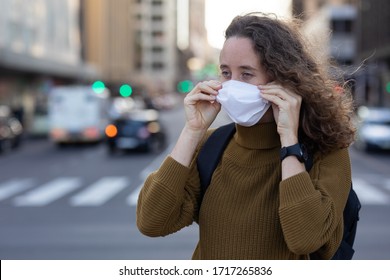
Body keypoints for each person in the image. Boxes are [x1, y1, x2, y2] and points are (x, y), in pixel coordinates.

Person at [136, 12, 356, 260]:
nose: (232, 85)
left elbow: (305, 238)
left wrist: (288, 141)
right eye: (226, 73)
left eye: (246, 74)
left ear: (282, 79)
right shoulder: (212, 145)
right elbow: (151, 221)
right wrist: (192, 131)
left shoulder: (327, 151)